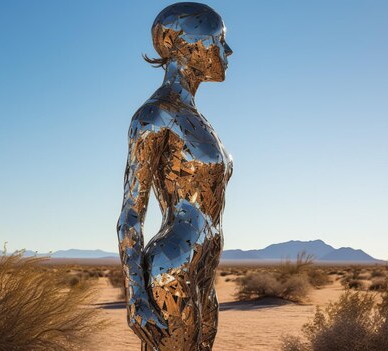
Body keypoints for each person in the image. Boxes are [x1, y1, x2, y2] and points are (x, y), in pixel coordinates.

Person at [116, 3, 233, 350]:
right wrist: (135, 296)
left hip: (203, 268)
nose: (227, 51)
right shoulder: (154, 115)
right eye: (219, 40)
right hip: (173, 267)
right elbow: (130, 214)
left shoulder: (195, 117)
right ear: (188, 45)